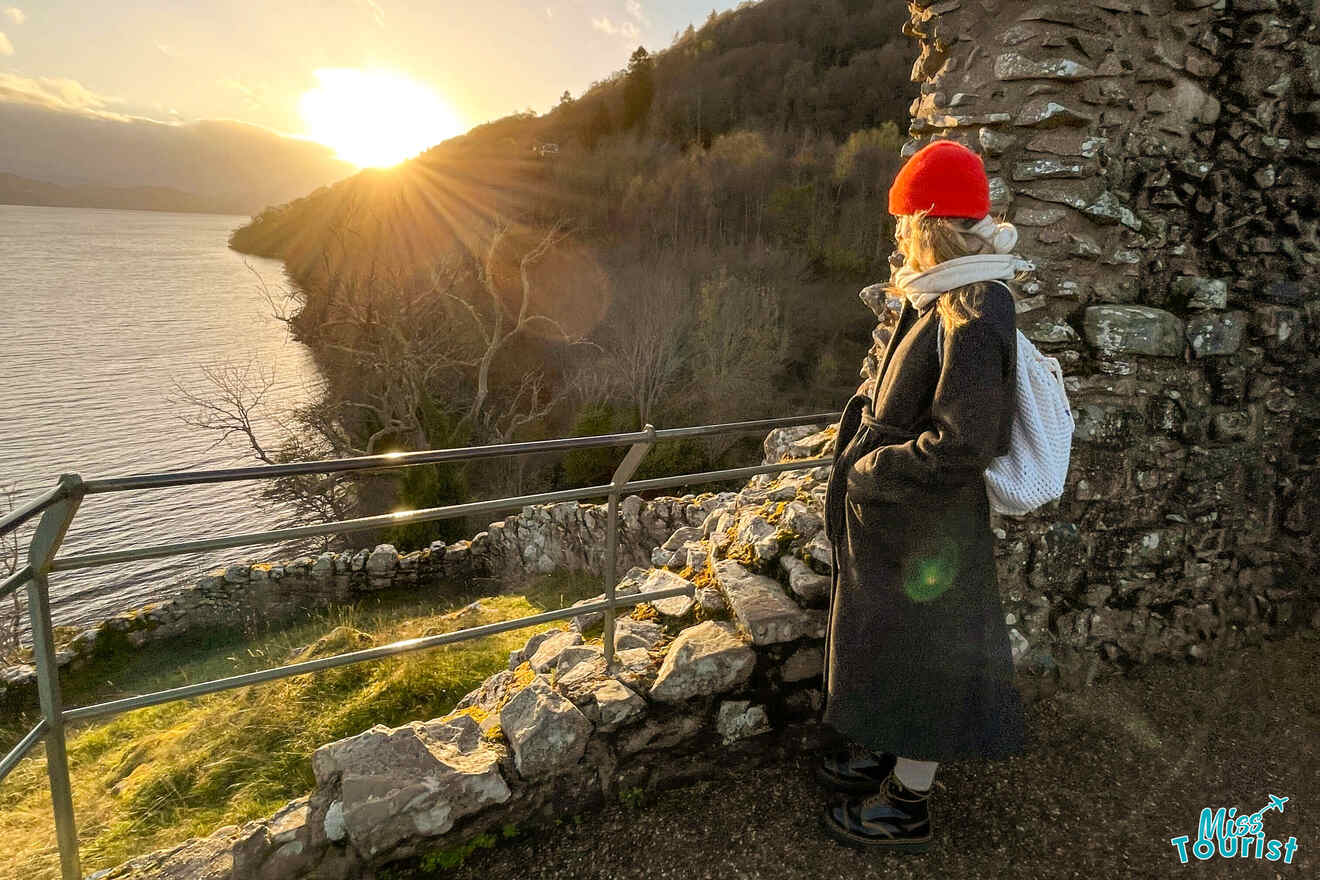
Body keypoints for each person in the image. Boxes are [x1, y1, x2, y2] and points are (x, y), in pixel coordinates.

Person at [816, 139, 1030, 851]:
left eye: (906, 223)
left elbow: (965, 442)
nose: (900, 238)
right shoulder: (946, 287)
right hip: (905, 520)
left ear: (927, 223)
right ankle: (881, 748)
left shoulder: (974, 304)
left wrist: (873, 473)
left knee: (928, 659)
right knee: (890, 648)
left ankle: (906, 804)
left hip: (925, 520)